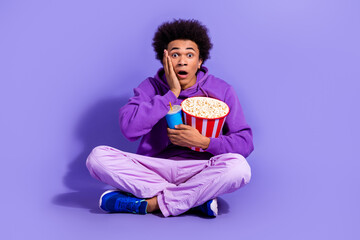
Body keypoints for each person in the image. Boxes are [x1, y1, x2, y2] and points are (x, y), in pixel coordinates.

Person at [86, 19, 254, 217]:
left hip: (200, 169)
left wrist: (205, 142)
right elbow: (129, 129)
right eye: (175, 55)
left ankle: (152, 204)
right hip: (154, 168)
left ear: (200, 61)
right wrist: (171, 94)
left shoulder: (222, 90)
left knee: (239, 168)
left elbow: (245, 143)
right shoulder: (151, 87)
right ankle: (194, 199)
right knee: (97, 158)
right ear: (164, 59)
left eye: (190, 55)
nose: (182, 61)